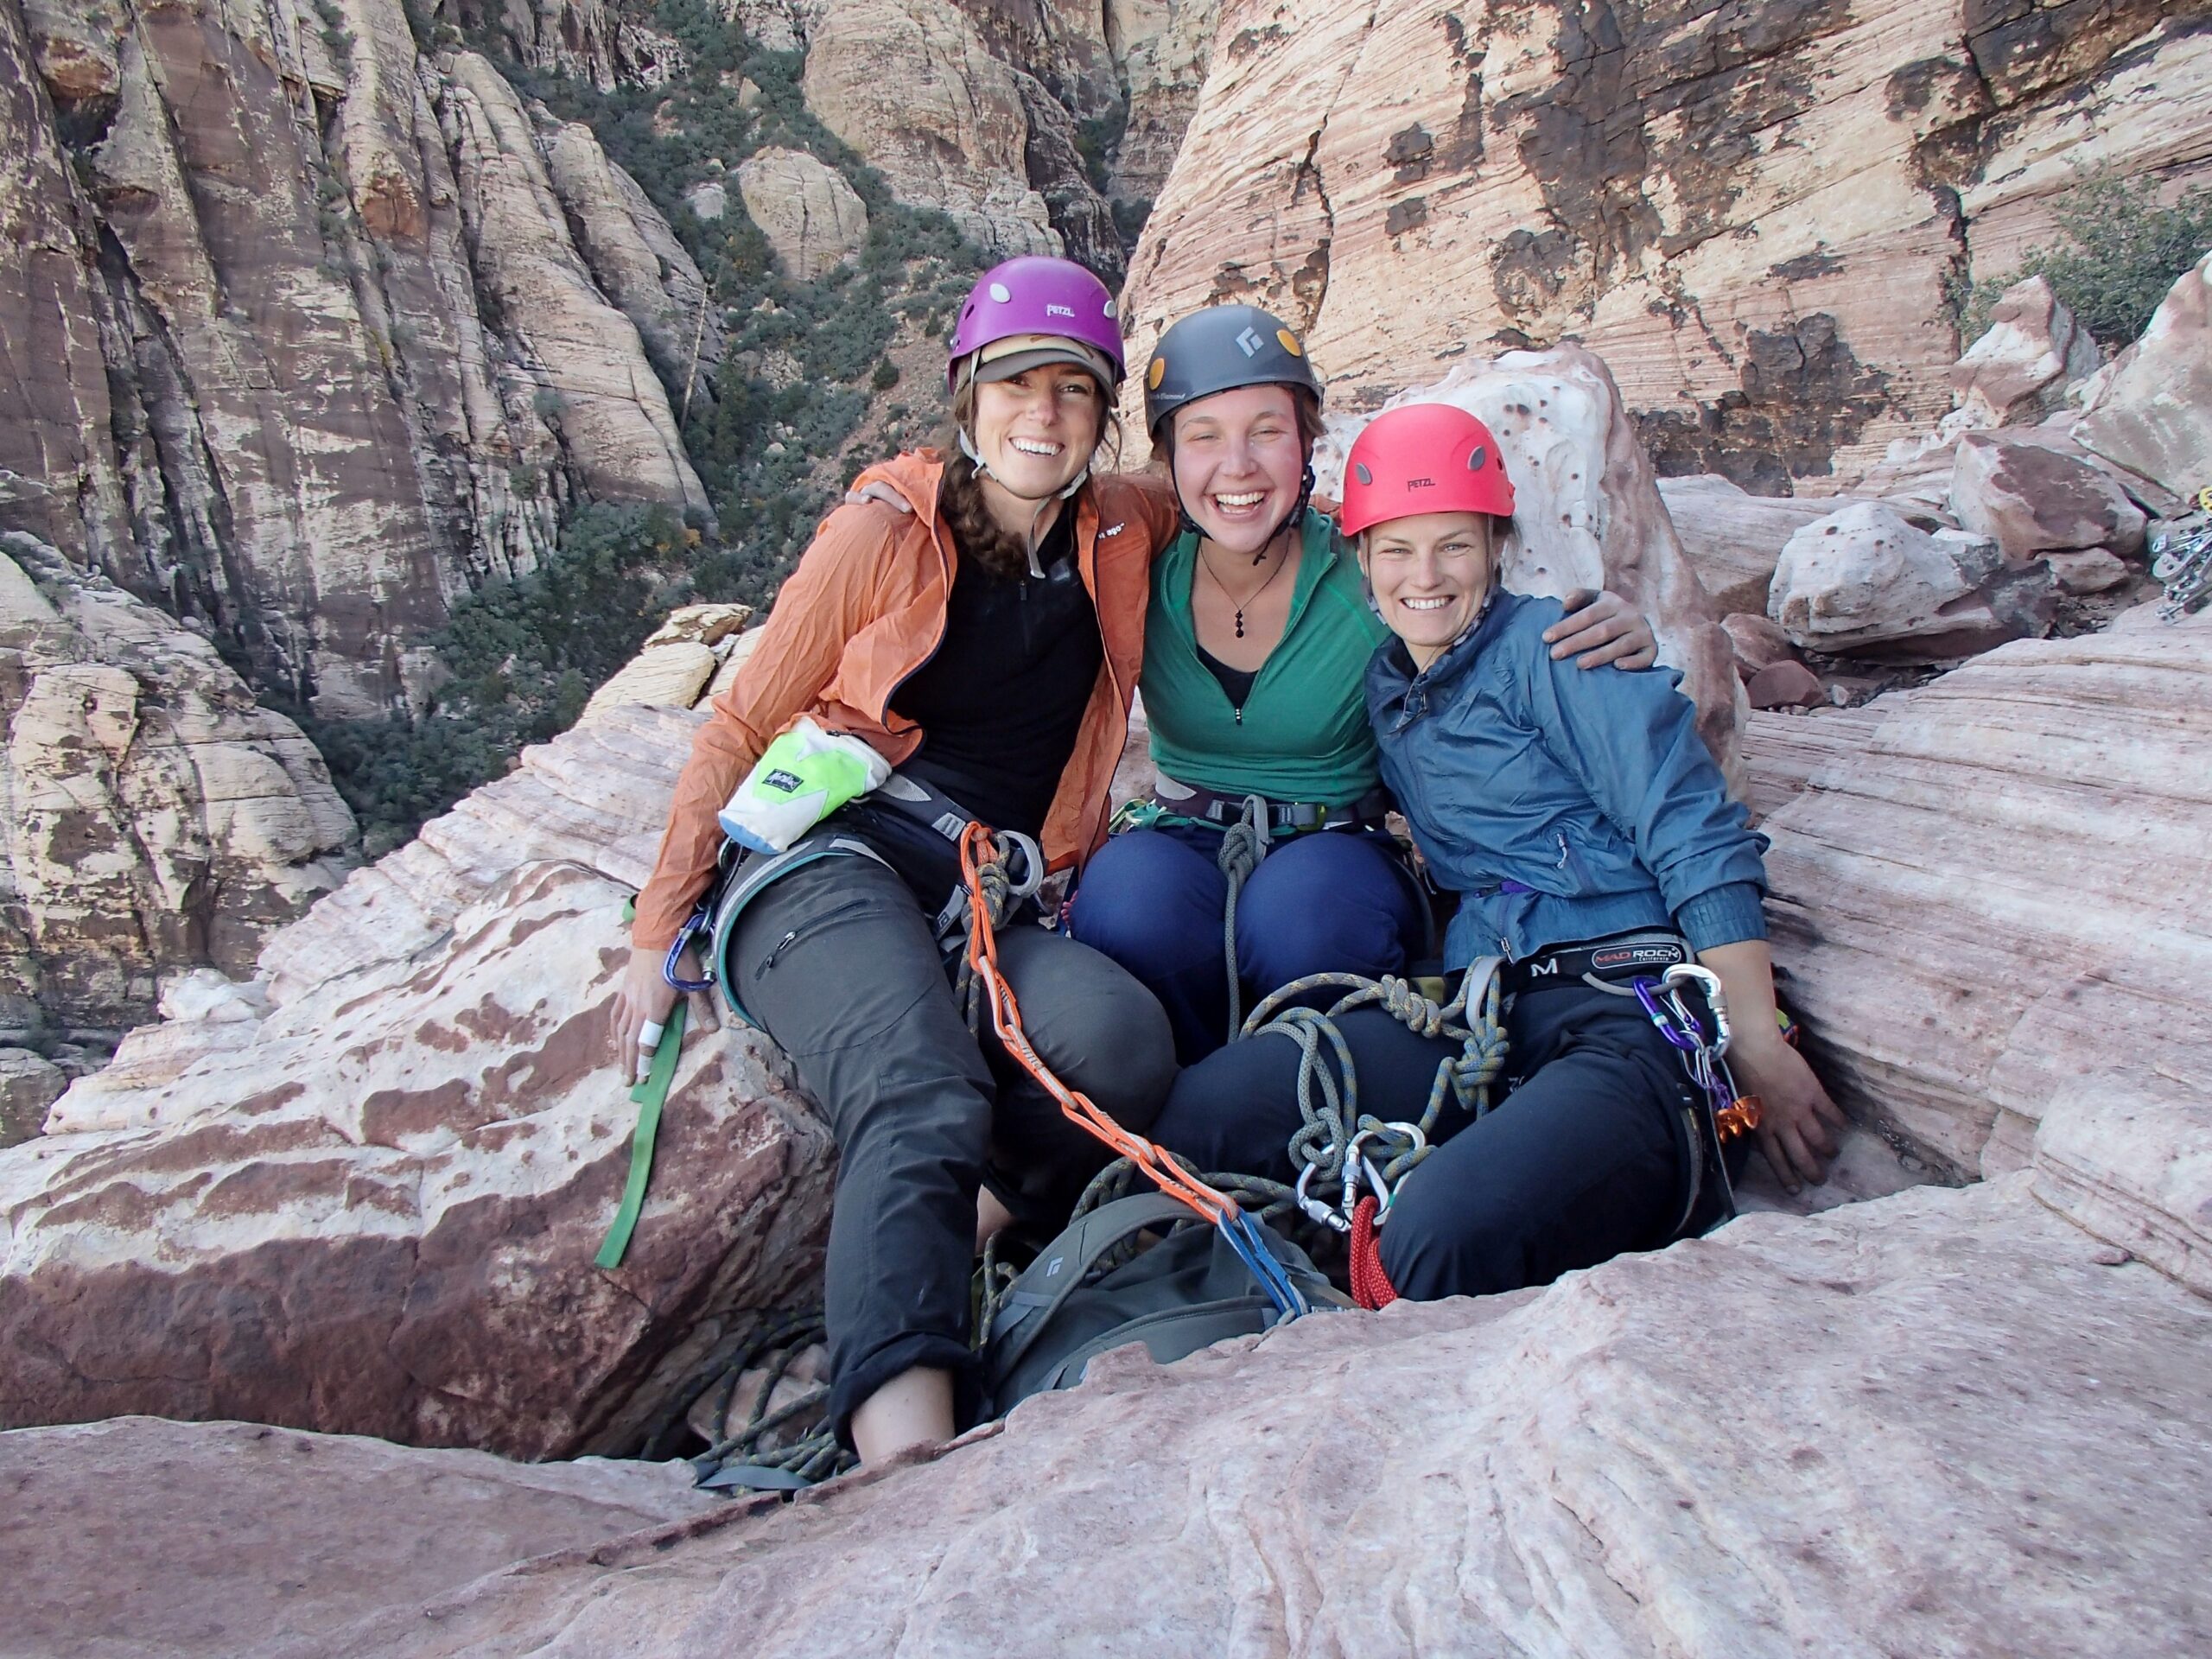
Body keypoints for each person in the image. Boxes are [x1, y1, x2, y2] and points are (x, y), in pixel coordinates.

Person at [613, 256, 1185, 1465]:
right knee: (921, 1089)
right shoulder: (888, 529)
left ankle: (951, 1228)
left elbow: (1258, 497)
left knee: (1124, 1046)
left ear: (1104, 418)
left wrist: (1440, 566)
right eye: (1016, 384)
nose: (1044, 412)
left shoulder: (1124, 526)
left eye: (1075, 391)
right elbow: (740, 719)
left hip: (984, 883)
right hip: (831, 860)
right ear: (968, 398)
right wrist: (655, 930)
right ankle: (905, 1463)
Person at [1152, 402, 1847, 1300]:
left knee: (1436, 1238)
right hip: (1486, 1016)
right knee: (1209, 1110)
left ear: (1495, 546)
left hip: (1630, 1015)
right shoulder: (1387, 684)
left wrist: (1752, 1035)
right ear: (1361, 561)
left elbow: (1693, 829)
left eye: (1453, 546)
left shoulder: (1561, 650)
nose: (1425, 576)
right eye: (1396, 550)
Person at [1063, 305, 1656, 1062]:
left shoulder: (1368, 566)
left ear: (1308, 443)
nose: (1238, 465)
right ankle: (1191, 1094)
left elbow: (1482, 618)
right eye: (1204, 436)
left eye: (1268, 431)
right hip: (1183, 831)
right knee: (1124, 908)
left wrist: (1605, 623)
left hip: (1335, 845)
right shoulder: (1137, 567)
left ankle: (1315, 1109)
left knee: (1304, 922)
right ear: (1169, 457)